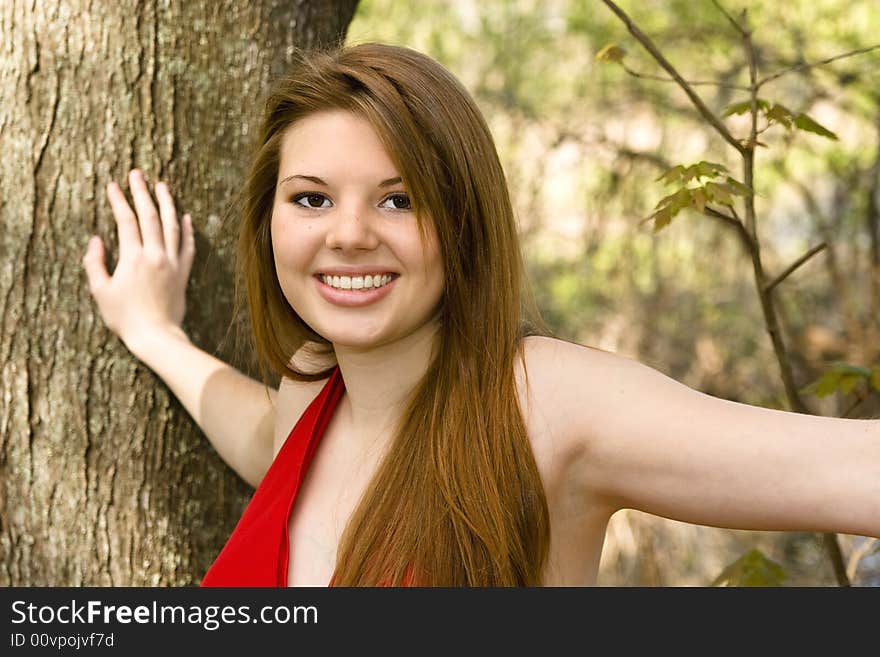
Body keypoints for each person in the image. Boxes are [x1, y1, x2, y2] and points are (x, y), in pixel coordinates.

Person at [81, 42, 880, 587]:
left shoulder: (541, 403)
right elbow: (259, 434)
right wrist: (154, 332)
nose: (350, 233)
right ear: (270, 222)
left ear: (462, 221)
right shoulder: (316, 391)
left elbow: (851, 473)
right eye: (311, 198)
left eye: (400, 199)